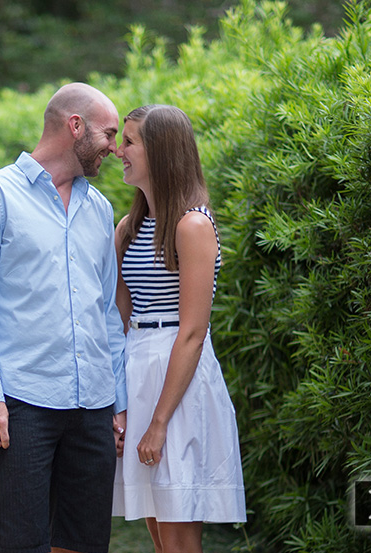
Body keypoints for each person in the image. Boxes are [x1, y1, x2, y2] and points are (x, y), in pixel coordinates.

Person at [0, 82, 128, 553]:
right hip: (23, 403)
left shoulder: (100, 208)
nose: (114, 148)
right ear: (76, 126)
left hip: (93, 405)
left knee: (83, 543)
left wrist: (120, 399)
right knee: (14, 543)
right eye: (109, 134)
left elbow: (107, 312)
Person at [110, 104, 247, 552]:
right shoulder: (128, 229)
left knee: (179, 540)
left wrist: (159, 422)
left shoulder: (193, 227)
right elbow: (119, 321)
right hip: (139, 367)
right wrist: (122, 406)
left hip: (179, 384)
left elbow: (192, 332)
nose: (118, 150)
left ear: (163, 152)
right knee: (159, 538)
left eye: (130, 142)